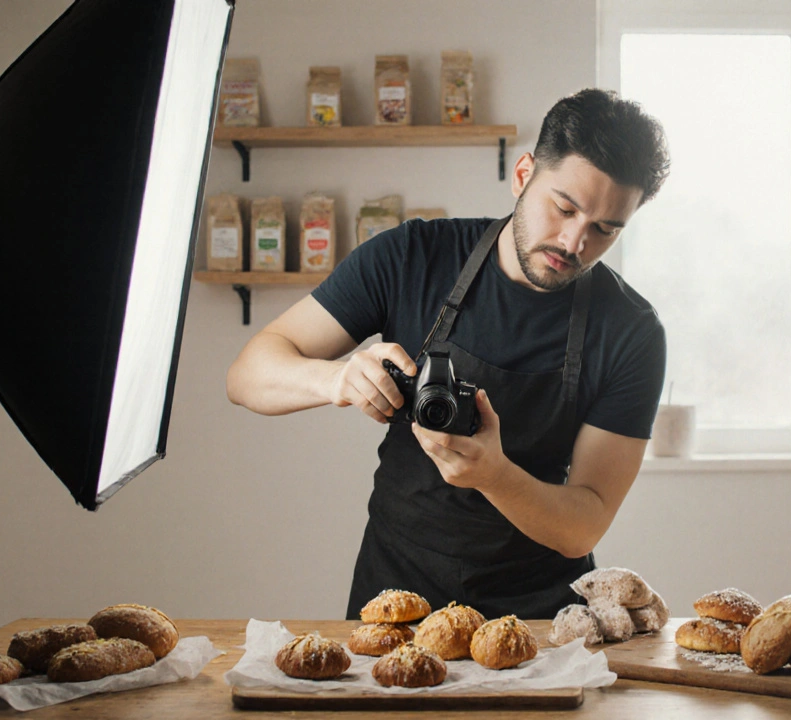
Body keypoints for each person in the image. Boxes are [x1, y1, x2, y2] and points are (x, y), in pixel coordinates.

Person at [226, 88, 671, 620]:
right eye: (564, 208)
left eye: (605, 229)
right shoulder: (411, 257)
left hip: (538, 618)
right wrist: (336, 380)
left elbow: (583, 526)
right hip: (395, 596)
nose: (575, 242)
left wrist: (493, 475)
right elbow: (247, 375)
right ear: (524, 173)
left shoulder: (631, 332)